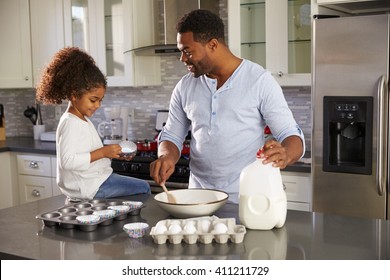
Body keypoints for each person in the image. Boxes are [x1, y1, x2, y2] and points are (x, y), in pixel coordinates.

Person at [150, 10, 305, 203]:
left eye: (188, 51)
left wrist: (286, 153)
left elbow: (291, 135)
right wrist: (166, 156)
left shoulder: (259, 81)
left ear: (213, 44)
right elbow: (172, 135)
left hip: (246, 197)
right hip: (198, 198)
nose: (183, 59)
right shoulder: (185, 86)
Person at [36, 47, 150, 201]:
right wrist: (103, 152)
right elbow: (68, 162)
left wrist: (113, 154)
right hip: (91, 186)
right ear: (74, 95)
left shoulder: (81, 120)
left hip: (94, 182)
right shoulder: (71, 123)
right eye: (93, 100)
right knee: (143, 188)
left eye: (100, 101)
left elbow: (89, 157)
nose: (97, 106)